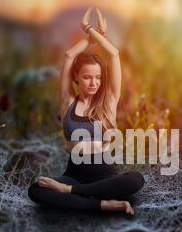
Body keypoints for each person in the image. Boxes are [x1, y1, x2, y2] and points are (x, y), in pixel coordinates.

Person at [28, 7, 144, 216]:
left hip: (105, 177)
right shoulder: (68, 103)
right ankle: (104, 205)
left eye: (98, 77)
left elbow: (114, 54)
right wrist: (89, 38)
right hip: (74, 175)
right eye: (88, 77)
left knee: (136, 179)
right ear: (76, 79)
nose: (94, 82)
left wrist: (93, 31)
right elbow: (69, 55)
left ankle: (73, 193)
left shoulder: (109, 103)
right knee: (36, 190)